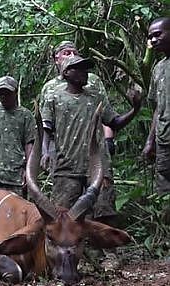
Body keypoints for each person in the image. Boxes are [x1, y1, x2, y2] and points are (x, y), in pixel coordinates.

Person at [41, 55, 141, 216]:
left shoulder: (96, 97)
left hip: (98, 166)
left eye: (85, 69)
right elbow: (47, 128)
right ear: (66, 73)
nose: (84, 72)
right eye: (79, 69)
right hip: (67, 166)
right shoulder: (54, 98)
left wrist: (135, 108)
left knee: (104, 213)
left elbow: (114, 122)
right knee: (62, 215)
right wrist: (45, 152)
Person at [40, 41, 116, 224]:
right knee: (65, 210)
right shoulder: (49, 89)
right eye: (66, 52)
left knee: (102, 208)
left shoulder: (93, 83)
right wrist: (47, 153)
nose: (71, 55)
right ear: (56, 59)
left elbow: (105, 114)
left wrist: (108, 139)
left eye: (74, 52)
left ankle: (103, 249)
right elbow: (46, 126)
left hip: (94, 155)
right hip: (66, 158)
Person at [142, 17, 170, 223]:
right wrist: (150, 141)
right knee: (165, 191)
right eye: (150, 36)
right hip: (164, 142)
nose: (153, 40)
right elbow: (157, 108)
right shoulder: (159, 68)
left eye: (158, 34)